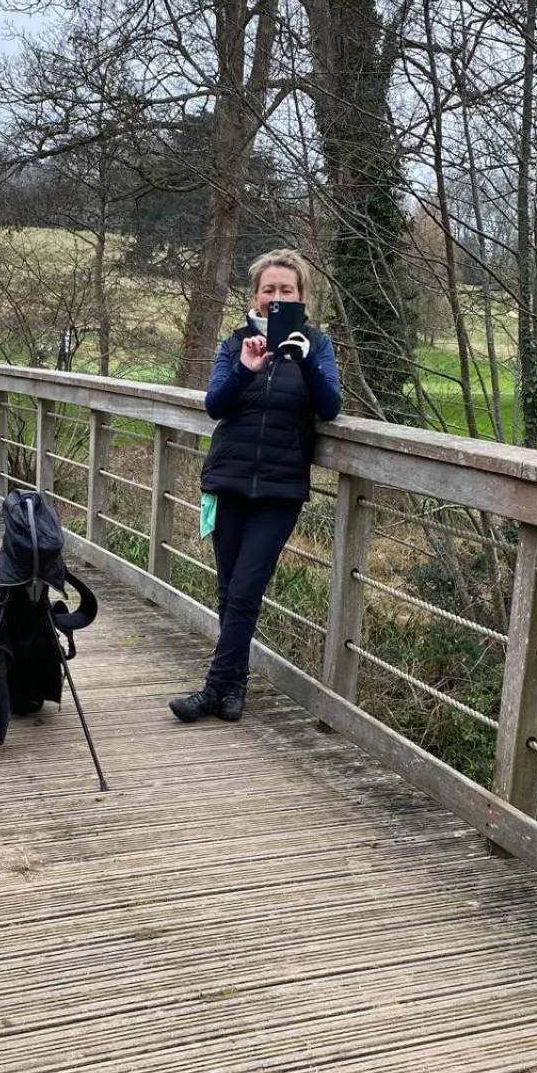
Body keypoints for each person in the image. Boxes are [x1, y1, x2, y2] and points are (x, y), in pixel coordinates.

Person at [169, 248, 341, 724]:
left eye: (287, 290)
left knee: (245, 590)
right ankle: (234, 688)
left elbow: (329, 407)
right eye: (270, 289)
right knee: (229, 591)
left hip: (280, 490)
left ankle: (211, 690)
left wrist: (301, 360)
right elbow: (215, 406)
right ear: (256, 295)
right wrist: (247, 368)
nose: (277, 297)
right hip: (227, 480)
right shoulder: (234, 343)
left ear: (302, 297)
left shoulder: (317, 346)